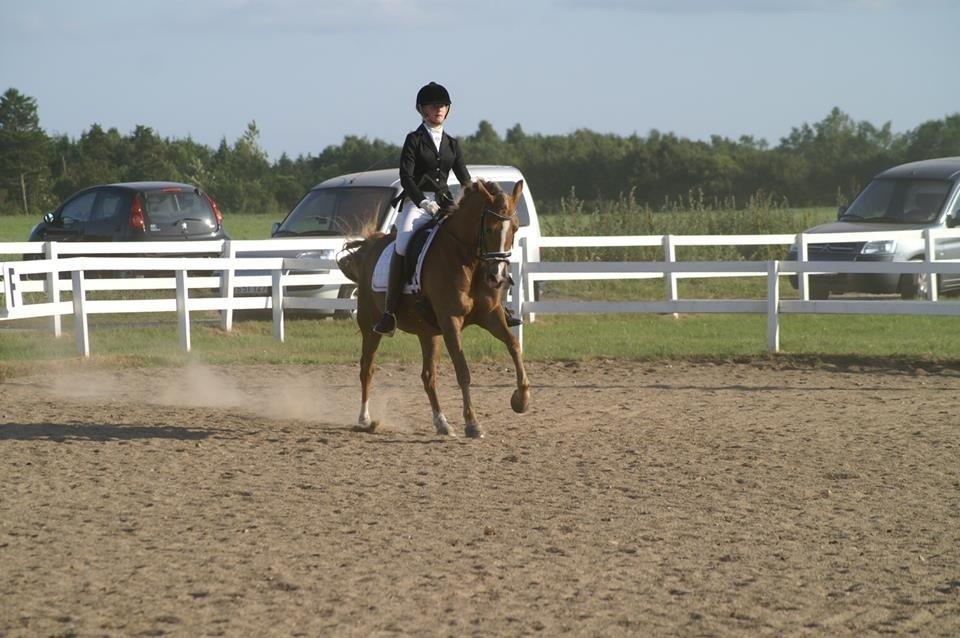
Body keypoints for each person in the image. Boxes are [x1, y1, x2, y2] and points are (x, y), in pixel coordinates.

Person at [373, 81, 523, 336]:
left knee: (478, 243)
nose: (439, 110)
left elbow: (464, 178)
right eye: (433, 106)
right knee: (402, 244)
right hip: (416, 204)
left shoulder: (452, 143)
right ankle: (390, 311)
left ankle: (497, 305)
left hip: (444, 204)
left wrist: (482, 196)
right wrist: (422, 201)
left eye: (443, 106)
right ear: (422, 110)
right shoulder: (414, 140)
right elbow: (406, 177)